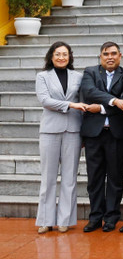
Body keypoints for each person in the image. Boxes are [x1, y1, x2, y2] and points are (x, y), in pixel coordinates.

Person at [79, 41, 123, 233]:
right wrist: (113, 100)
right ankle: (95, 217)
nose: (110, 57)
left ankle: (111, 217)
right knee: (94, 178)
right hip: (94, 135)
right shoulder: (90, 72)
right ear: (100, 56)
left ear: (120, 56)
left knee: (115, 177)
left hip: (118, 134)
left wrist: (101, 107)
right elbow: (89, 92)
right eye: (106, 54)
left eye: (113, 53)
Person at [35, 42, 86, 234]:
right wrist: (71, 105)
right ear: (51, 56)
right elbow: (45, 100)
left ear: (70, 56)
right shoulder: (42, 76)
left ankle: (65, 219)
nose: (61, 57)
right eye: (58, 54)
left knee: (69, 177)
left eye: (65, 54)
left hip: (73, 130)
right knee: (48, 177)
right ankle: (45, 220)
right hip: (49, 130)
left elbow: (83, 101)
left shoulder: (78, 76)